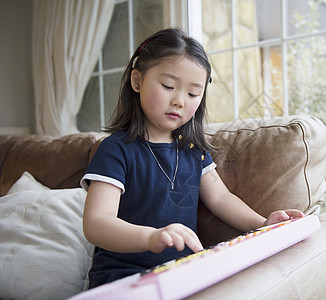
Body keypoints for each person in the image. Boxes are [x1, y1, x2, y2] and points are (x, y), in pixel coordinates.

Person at [81, 28, 303, 288]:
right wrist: (151, 237)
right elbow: (96, 223)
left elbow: (221, 199)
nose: (179, 101)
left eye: (193, 93)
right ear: (137, 81)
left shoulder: (193, 151)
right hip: (124, 278)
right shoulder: (116, 149)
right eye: (168, 86)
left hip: (184, 275)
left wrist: (263, 223)